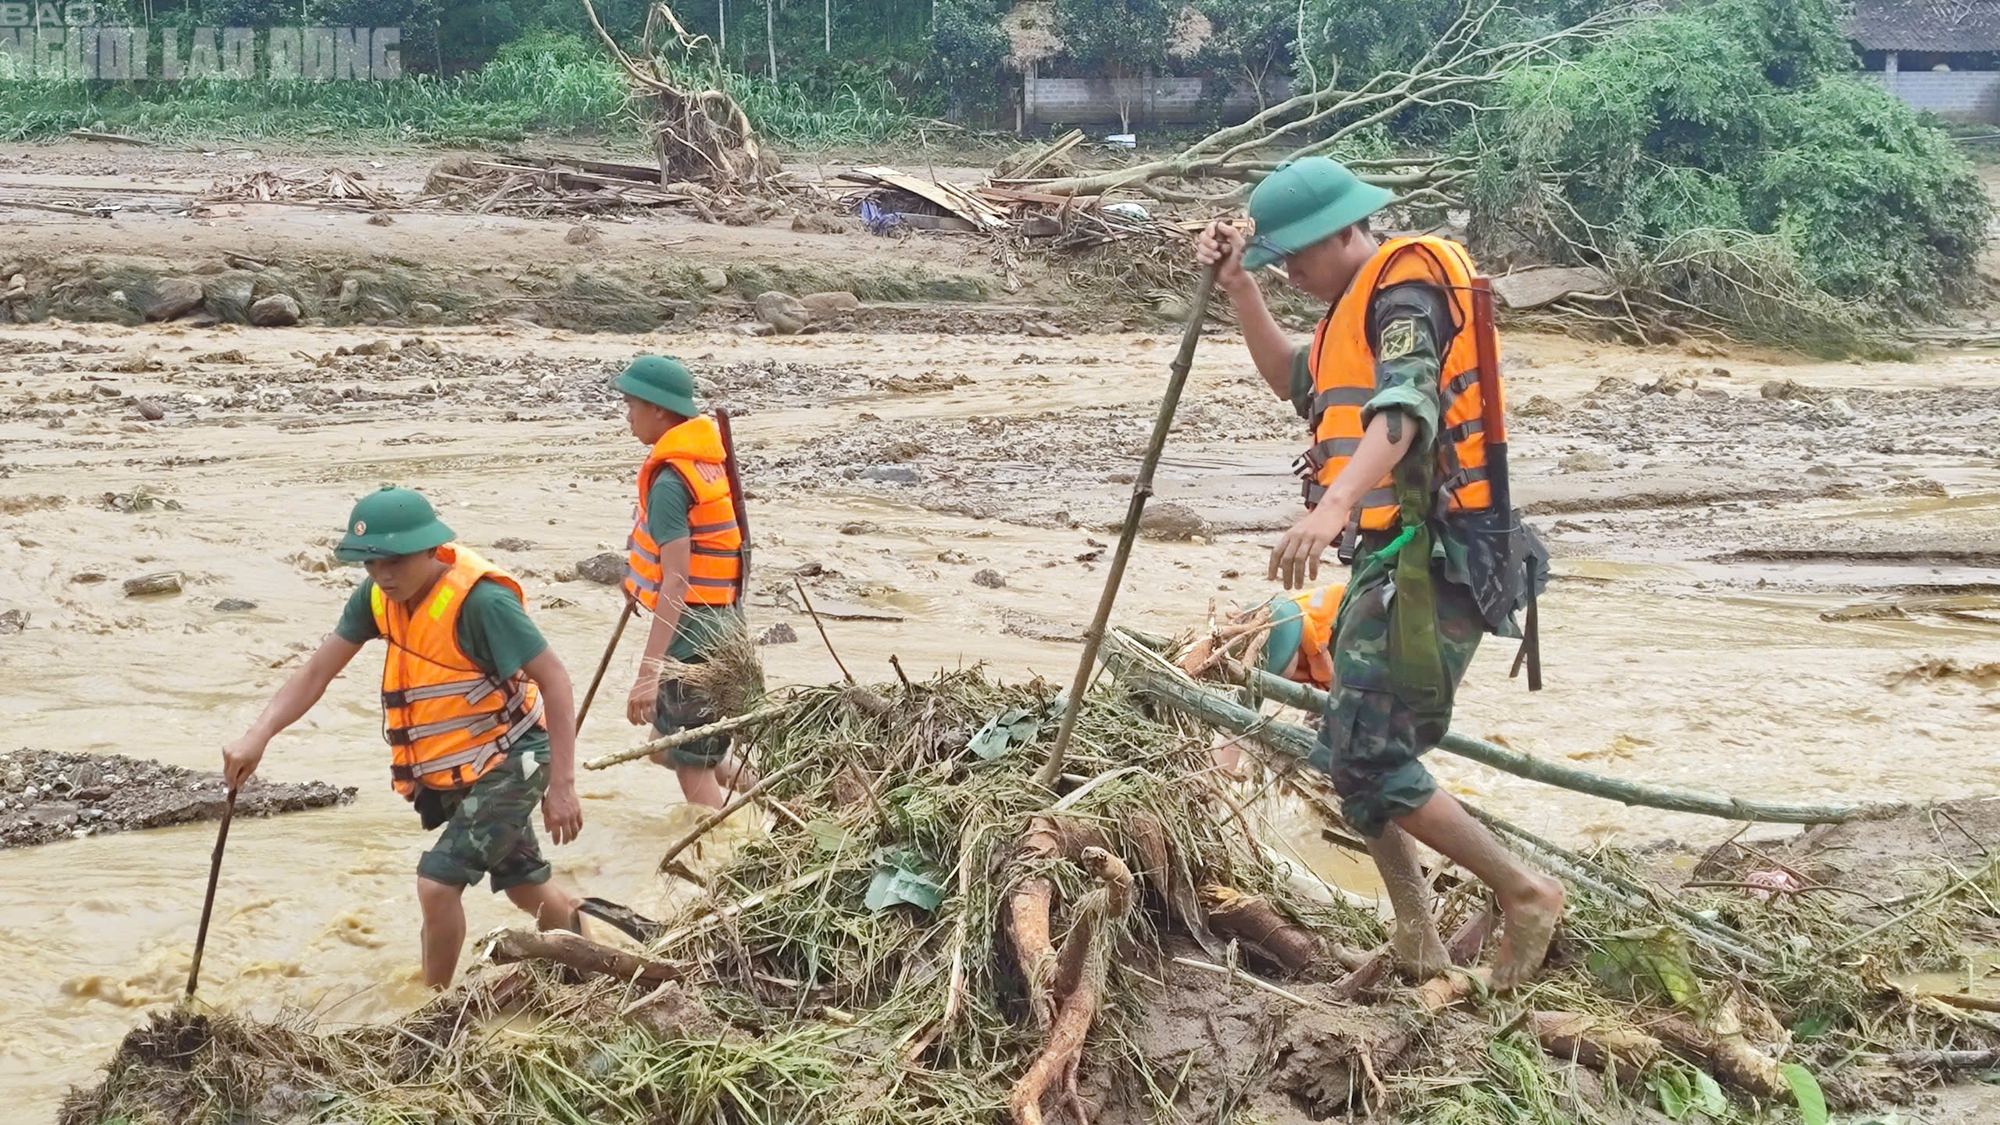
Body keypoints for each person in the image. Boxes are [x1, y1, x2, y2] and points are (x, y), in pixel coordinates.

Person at [1196, 156, 1563, 990]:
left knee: (1369, 755)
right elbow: (1297, 378)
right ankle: (1417, 938)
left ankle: (1526, 893)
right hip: (1394, 560)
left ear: (1342, 230)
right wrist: (1240, 292)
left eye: (1293, 257)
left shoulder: (1406, 294)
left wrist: (1330, 508)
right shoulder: (1343, 315)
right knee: (1352, 754)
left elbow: (1406, 410)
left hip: (1441, 558)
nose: (1287, 271)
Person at [221, 486, 586, 990]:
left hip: (514, 759)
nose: (383, 575)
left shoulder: (484, 602)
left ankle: (430, 1013)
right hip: (464, 767)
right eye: (370, 564)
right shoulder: (375, 599)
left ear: (431, 549)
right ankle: (587, 968)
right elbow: (314, 674)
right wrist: (256, 737)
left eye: (393, 561)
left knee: (436, 886)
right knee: (526, 886)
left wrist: (562, 784)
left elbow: (555, 678)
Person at [611, 355, 755, 809]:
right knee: (673, 746)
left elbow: (676, 582)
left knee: (692, 766)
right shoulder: (706, 462)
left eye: (631, 405)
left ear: (658, 409)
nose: (628, 416)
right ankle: (784, 802)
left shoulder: (671, 481)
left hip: (695, 644)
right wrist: (637, 583)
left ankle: (720, 864)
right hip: (725, 629)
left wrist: (647, 675)